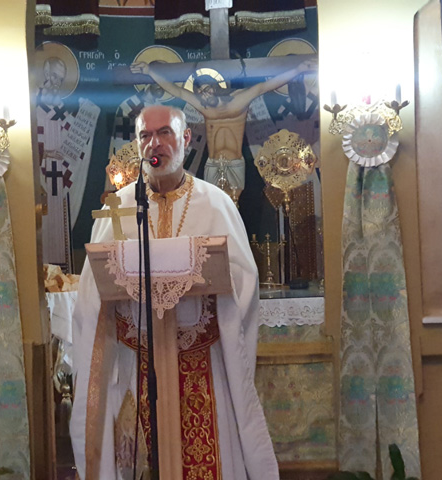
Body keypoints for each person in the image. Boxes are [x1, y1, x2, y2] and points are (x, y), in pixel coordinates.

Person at [71, 104, 278, 479]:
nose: (155, 143)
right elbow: (91, 294)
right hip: (137, 364)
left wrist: (206, 283)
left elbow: (243, 281)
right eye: (146, 135)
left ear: (185, 139)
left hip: (202, 362)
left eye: (164, 132)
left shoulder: (214, 203)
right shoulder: (120, 206)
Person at [130, 59, 316, 196]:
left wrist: (298, 69)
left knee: (233, 206)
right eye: (200, 92)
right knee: (213, 206)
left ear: (215, 87)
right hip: (213, 163)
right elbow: (176, 90)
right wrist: (150, 71)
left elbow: (265, 86)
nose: (204, 95)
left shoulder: (238, 101)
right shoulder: (203, 106)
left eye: (207, 90)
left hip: (235, 162)